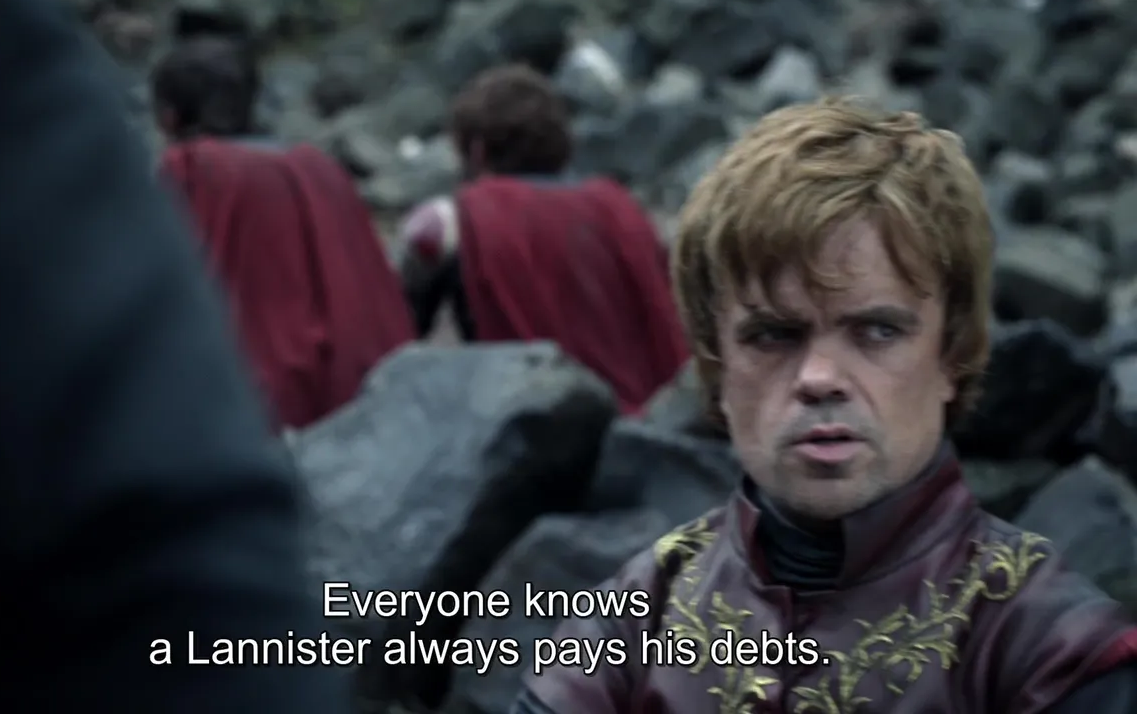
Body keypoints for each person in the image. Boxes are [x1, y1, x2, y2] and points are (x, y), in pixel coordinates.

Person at [509, 98, 1137, 713]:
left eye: (877, 331)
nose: (819, 378)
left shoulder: (1049, 652)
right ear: (717, 367)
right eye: (773, 335)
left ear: (950, 355)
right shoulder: (630, 623)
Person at [0, 0, 346, 711]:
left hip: (235, 413)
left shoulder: (190, 170)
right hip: (322, 398)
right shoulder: (313, 166)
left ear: (169, 116)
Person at [153, 36, 414, 430]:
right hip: (368, 394)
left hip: (255, 406)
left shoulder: (192, 170)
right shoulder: (321, 167)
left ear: (169, 118)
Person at [397, 64, 688, 414]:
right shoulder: (622, 209)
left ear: (476, 151)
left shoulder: (453, 220)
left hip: (526, 421)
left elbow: (398, 332)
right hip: (652, 419)